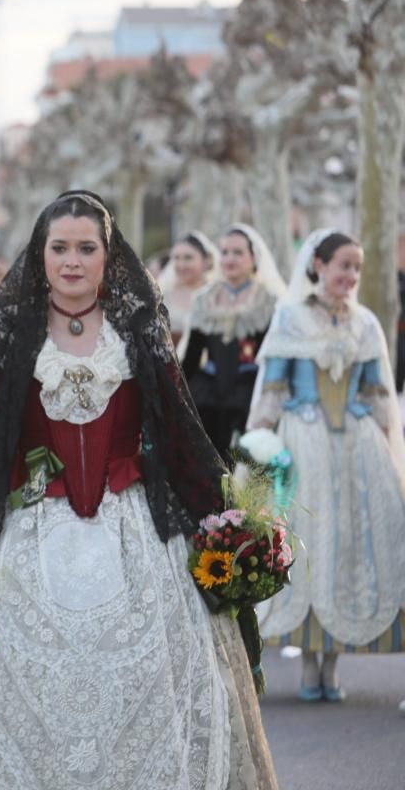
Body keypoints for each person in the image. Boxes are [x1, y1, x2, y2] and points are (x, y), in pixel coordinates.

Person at [0, 191, 277, 789]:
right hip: (30, 535)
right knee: (27, 685)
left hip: (134, 534)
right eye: (59, 247)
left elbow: (179, 431)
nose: (72, 260)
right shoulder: (11, 334)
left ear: (107, 254)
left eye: (86, 248)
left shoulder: (137, 328)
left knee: (144, 683)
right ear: (40, 255)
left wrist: (224, 519)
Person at [249, 229, 405, 702]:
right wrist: (255, 449)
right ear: (318, 265)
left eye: (357, 268)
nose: (351, 276)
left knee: (353, 545)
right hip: (304, 442)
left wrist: (389, 450)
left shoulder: (366, 323)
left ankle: (332, 663)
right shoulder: (289, 318)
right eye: (344, 266)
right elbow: (272, 391)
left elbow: (379, 393)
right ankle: (309, 662)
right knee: (308, 543)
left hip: (356, 451)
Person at [181, 225, 287, 463]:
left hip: (249, 390)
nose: (229, 259)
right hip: (209, 391)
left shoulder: (268, 301)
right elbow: (192, 355)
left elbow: (272, 357)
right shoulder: (204, 299)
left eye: (238, 253)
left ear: (253, 258)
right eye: (225, 252)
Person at [159, 230, 218, 347]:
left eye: (188, 258)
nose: (181, 265)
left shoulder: (217, 295)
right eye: (176, 258)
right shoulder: (163, 296)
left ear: (206, 260)